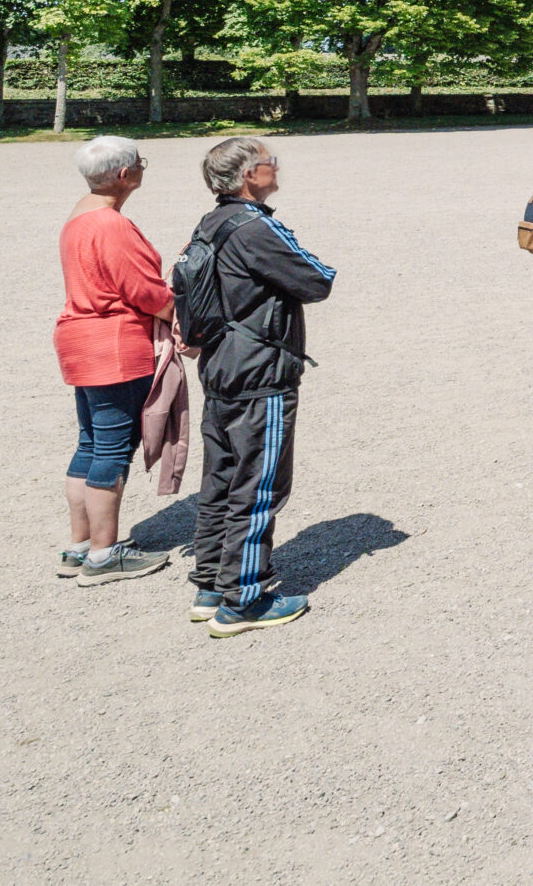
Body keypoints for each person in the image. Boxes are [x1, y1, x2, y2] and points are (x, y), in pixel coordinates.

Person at [185, 137, 335, 636]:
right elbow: (317, 279)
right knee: (260, 481)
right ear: (250, 175)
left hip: (221, 365)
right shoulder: (256, 227)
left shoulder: (211, 223)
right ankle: (243, 598)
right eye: (271, 162)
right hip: (260, 369)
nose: (277, 169)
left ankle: (210, 583)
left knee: (221, 479)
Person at [53, 136, 175, 586]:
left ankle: (80, 545)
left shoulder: (78, 217)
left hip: (79, 340)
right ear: (125, 175)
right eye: (140, 163)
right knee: (112, 449)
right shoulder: (110, 224)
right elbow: (143, 290)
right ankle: (104, 557)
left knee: (89, 443)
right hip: (114, 344)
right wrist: (178, 316)